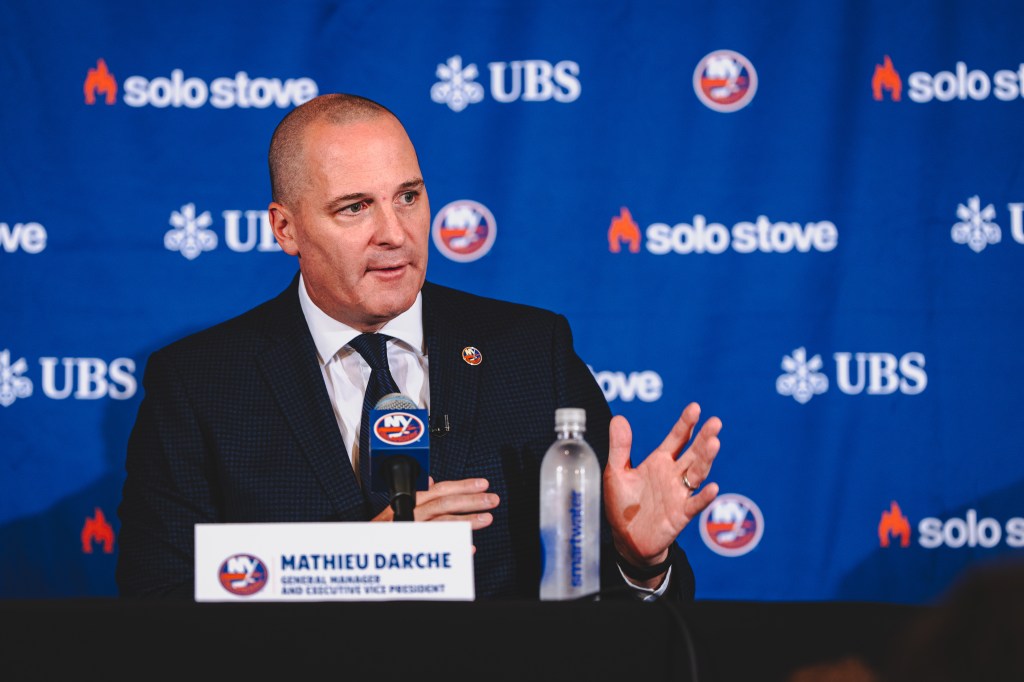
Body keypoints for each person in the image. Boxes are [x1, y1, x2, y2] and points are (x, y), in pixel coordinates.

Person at [115, 93, 722, 601]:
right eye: (355, 208)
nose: (395, 233)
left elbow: (616, 611)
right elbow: (159, 601)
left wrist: (639, 561)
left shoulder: (533, 352)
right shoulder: (199, 384)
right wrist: (360, 564)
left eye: (408, 196)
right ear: (286, 228)